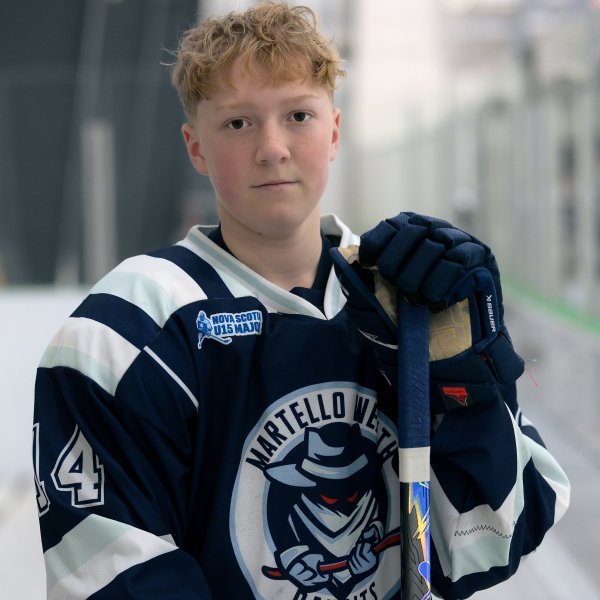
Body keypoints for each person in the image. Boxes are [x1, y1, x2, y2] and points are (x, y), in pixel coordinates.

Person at [33, 2, 570, 599]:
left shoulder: (406, 301)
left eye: (298, 115)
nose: (272, 148)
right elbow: (113, 577)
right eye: (238, 123)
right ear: (195, 147)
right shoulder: (127, 331)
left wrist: (468, 385)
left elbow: (484, 551)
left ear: (333, 131)